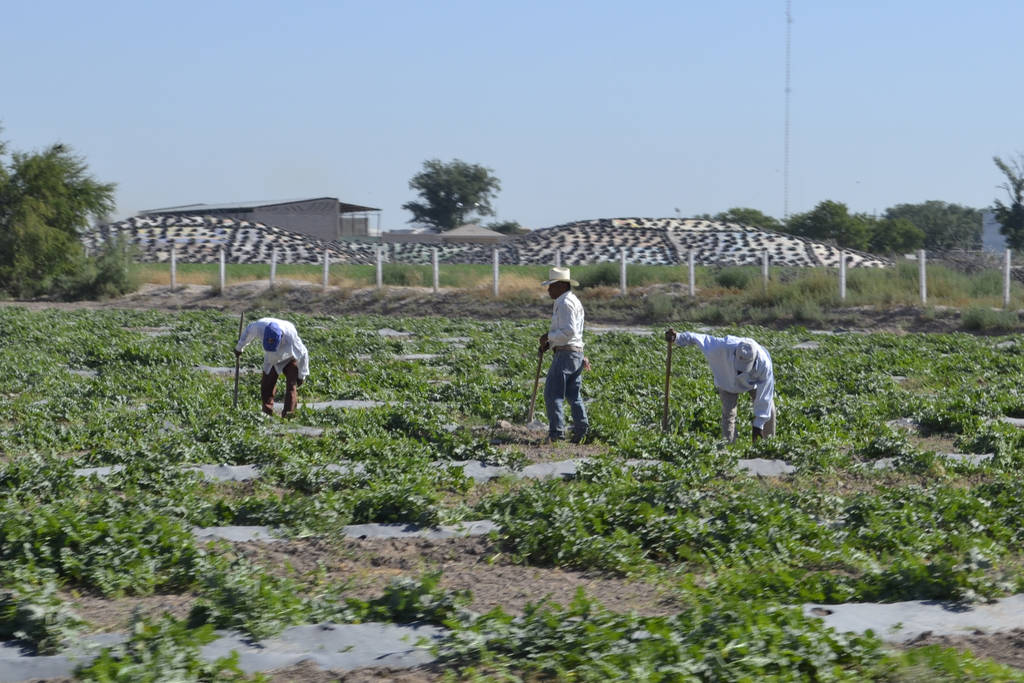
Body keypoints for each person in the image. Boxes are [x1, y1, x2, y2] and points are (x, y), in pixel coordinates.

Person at [664, 329, 776, 443]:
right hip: (726, 380)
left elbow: (764, 397)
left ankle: (768, 443)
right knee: (729, 414)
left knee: (768, 408)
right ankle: (729, 447)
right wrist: (677, 337)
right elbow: (699, 338)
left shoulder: (764, 364)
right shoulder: (723, 346)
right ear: (734, 353)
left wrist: (758, 426)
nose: (740, 371)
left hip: (753, 382)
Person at [539, 267, 589, 443]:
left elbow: (568, 331)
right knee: (573, 395)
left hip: (566, 354)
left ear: (560, 285)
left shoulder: (564, 302)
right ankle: (582, 431)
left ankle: (556, 434)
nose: (548, 289)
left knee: (553, 394)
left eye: (551, 286)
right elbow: (573, 333)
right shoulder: (573, 300)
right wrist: (550, 343)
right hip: (575, 353)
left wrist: (548, 337)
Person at [235, 317, 309, 417]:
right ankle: (267, 413)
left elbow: (303, 354)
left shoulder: (290, 335)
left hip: (290, 357)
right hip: (271, 359)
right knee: (266, 384)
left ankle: (288, 415)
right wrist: (239, 347)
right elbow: (248, 333)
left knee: (291, 385)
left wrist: (302, 375)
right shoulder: (259, 326)